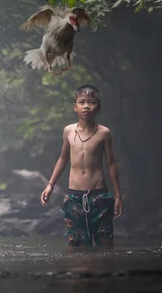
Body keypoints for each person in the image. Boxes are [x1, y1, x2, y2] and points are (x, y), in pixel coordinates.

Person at [40, 84, 123, 247]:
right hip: (74, 197)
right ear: (75, 107)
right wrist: (50, 185)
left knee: (105, 243)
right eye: (82, 102)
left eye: (91, 102)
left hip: (99, 195)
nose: (86, 106)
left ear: (98, 107)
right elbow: (63, 159)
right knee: (76, 245)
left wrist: (118, 195)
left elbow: (111, 163)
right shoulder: (69, 131)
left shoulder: (104, 133)